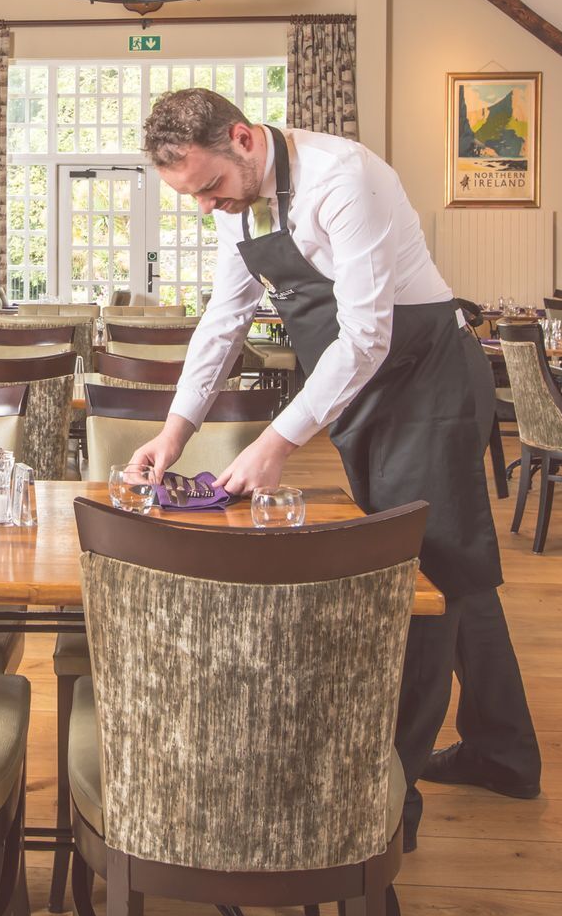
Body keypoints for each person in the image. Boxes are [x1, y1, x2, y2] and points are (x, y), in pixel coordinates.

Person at [126, 87, 541, 850]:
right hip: (367, 397)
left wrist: (278, 440)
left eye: (210, 186)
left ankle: (387, 792)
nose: (208, 207)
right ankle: (505, 750)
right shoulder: (240, 205)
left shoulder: (342, 178)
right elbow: (224, 320)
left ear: (244, 140)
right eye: (192, 197)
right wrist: (176, 431)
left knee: (415, 577)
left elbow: (368, 336)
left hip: (427, 378)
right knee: (455, 570)